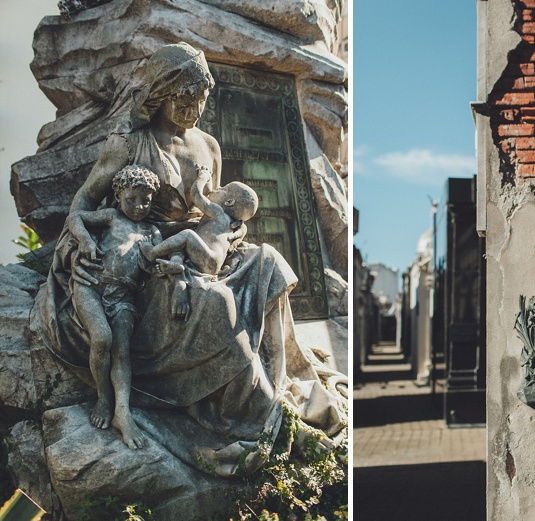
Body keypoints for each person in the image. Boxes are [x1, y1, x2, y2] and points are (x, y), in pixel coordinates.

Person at [33, 42, 346, 476]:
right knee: (217, 304)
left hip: (200, 249)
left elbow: (213, 208)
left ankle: (275, 378)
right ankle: (252, 410)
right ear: (159, 95)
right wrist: (82, 245)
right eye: (184, 99)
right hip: (149, 260)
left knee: (269, 260)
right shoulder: (129, 143)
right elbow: (84, 201)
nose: (194, 109)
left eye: (201, 99)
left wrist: (232, 231)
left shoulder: (208, 146)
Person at [68, 165, 161, 449]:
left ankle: (123, 411)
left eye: (145, 200)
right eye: (131, 199)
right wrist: (84, 239)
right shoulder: (110, 217)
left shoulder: (152, 231)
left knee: (121, 347)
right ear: (118, 197)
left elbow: (158, 262)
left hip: (123, 297)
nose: (138, 206)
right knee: (102, 338)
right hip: (91, 287)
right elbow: (76, 217)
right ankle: (104, 398)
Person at [139, 166, 258, 319]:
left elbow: (196, 195)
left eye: (223, 189)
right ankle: (177, 267)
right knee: (179, 247)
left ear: (229, 201)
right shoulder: (231, 223)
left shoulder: (218, 212)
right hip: (212, 263)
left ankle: (151, 252)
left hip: (208, 258)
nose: (218, 188)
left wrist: (203, 176)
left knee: (187, 236)